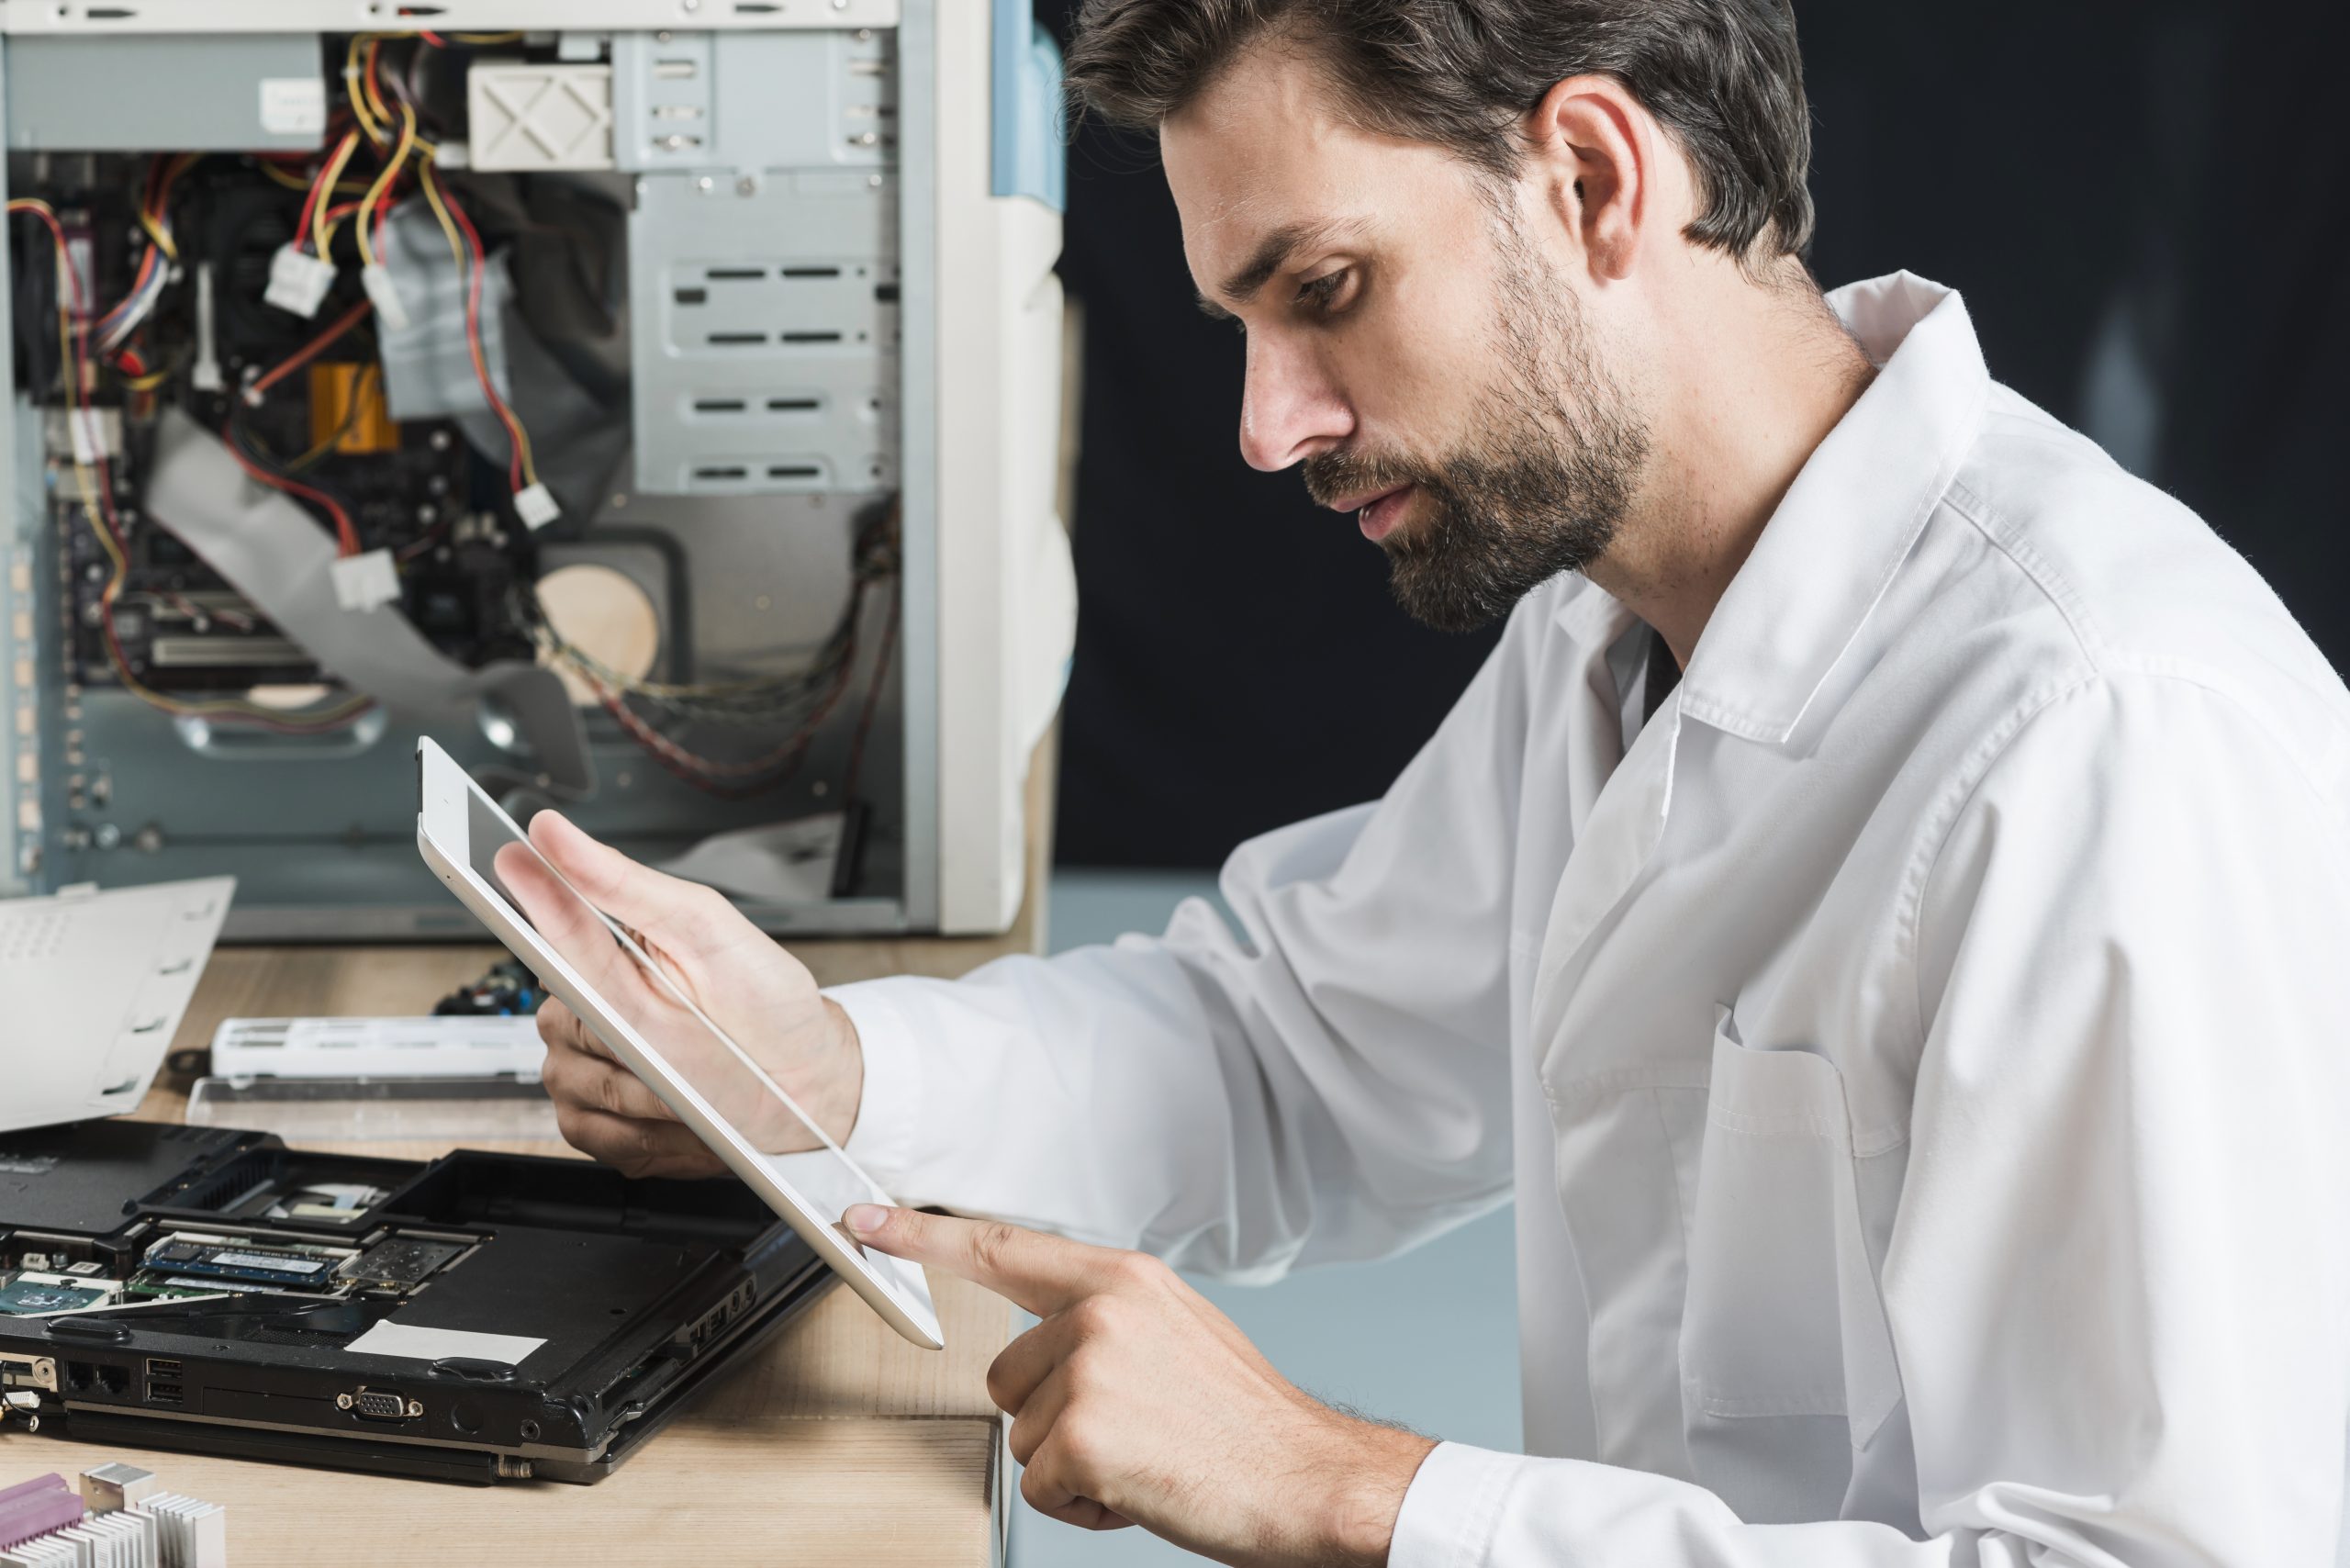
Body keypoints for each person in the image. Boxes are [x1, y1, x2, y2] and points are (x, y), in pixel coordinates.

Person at [516, 2, 2350, 1563]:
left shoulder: (2102, 735)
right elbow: (1287, 1060)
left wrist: (1344, 1486)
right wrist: (821, 1068)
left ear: (1592, 181)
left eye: (1323, 290)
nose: (1264, 423)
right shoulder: (1616, 623)